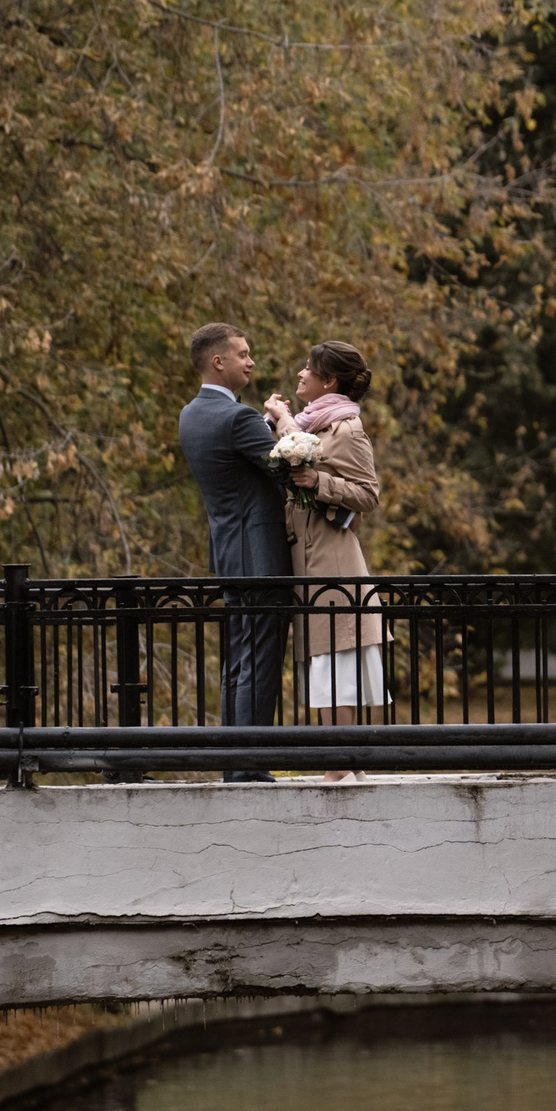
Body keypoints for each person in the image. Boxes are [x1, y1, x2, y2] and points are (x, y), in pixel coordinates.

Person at [263, 341, 384, 782]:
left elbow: (369, 493)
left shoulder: (348, 428)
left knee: (337, 661)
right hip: (309, 559)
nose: (299, 373)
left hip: (333, 562)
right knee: (325, 662)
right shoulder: (314, 424)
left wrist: (321, 481)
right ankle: (344, 764)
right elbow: (297, 445)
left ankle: (340, 766)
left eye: (308, 369)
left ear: (328, 381)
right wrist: (280, 421)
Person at [177, 322, 287, 781]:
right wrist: (284, 423)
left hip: (226, 550)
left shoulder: (191, 414)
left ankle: (235, 762)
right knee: (259, 658)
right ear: (217, 361)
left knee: (239, 658)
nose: (251, 361)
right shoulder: (237, 418)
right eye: (243, 354)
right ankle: (249, 765)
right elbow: (287, 467)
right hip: (259, 549)